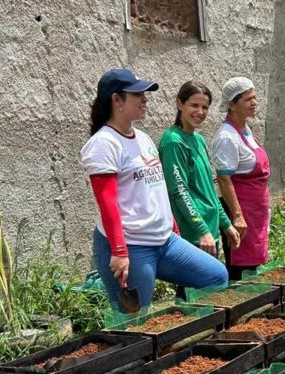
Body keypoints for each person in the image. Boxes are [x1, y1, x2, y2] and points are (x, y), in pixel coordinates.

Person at [80, 69, 227, 313]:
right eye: (137, 94)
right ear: (117, 100)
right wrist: (118, 251)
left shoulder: (144, 138)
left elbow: (157, 188)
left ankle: (185, 337)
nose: (145, 98)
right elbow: (107, 202)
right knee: (134, 320)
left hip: (165, 242)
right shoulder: (103, 144)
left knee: (215, 276)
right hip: (132, 246)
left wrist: (173, 227)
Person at [158, 80, 241, 261]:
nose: (200, 112)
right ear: (179, 104)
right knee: (192, 289)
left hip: (210, 232)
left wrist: (226, 224)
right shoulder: (173, 141)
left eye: (205, 107)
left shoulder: (199, 140)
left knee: (211, 288)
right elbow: (179, 191)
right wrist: (201, 230)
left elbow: (209, 190)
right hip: (193, 234)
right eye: (194, 105)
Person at [211, 77, 271, 280]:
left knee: (254, 264)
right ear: (231, 104)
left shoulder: (245, 130)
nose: (254, 103)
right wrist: (237, 215)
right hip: (241, 209)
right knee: (240, 265)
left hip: (256, 210)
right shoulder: (226, 137)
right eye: (247, 99)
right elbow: (224, 179)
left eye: (255, 98)